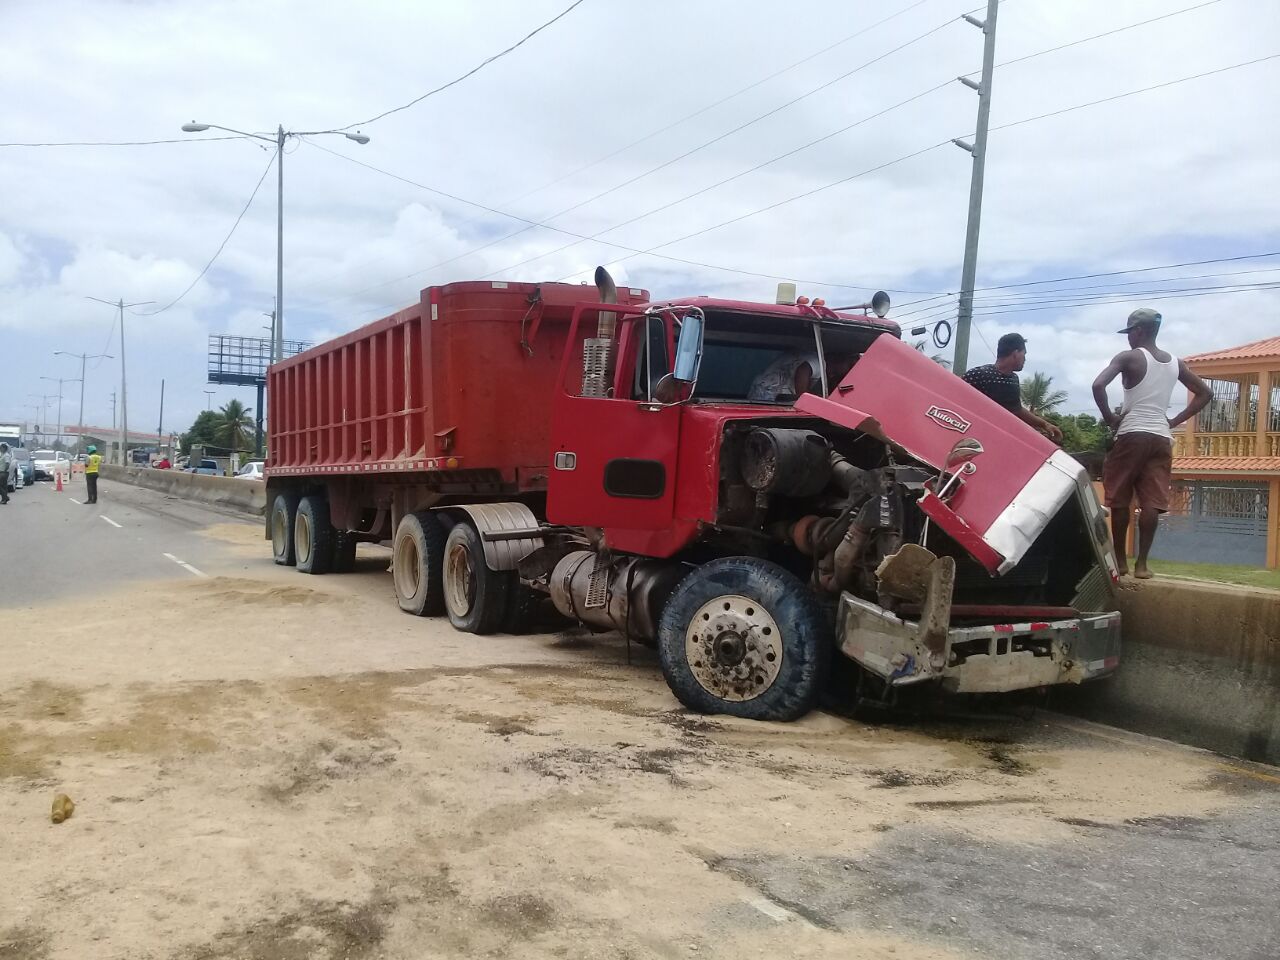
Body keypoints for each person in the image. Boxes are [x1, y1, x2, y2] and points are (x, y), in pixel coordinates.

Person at [1092, 308, 1212, 579]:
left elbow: (1098, 385)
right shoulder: (1175, 363)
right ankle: (1142, 566)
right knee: (1151, 501)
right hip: (1160, 437)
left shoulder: (1129, 358)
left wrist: (1111, 418)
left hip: (1132, 433)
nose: (1128, 339)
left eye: (1130, 333)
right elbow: (1205, 393)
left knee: (1120, 498)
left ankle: (1121, 563)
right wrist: (1174, 420)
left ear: (1139, 331)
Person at [961, 333, 1064, 442]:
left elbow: (1016, 409)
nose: (1025, 359)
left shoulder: (1013, 379)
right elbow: (954, 395)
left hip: (999, 440)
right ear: (1016, 354)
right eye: (1024, 354)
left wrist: (1045, 424)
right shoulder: (978, 374)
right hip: (973, 437)